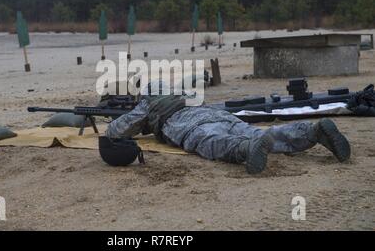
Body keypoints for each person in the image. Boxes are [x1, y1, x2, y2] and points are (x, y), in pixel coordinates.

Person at [105, 92, 351, 174]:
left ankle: (243, 150)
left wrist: (125, 117)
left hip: (187, 124)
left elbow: (118, 130)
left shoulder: (148, 102)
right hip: (216, 114)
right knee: (257, 132)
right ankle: (312, 131)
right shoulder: (177, 93)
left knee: (211, 142)